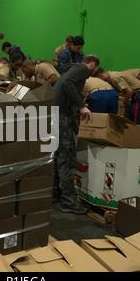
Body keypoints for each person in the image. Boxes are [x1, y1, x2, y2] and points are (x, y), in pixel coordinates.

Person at [53, 55, 100, 214]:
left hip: (54, 115)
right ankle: (68, 201)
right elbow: (67, 84)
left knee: (57, 156)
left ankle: (55, 194)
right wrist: (81, 106)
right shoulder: (82, 68)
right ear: (92, 64)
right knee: (67, 158)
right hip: (60, 116)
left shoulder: (69, 69)